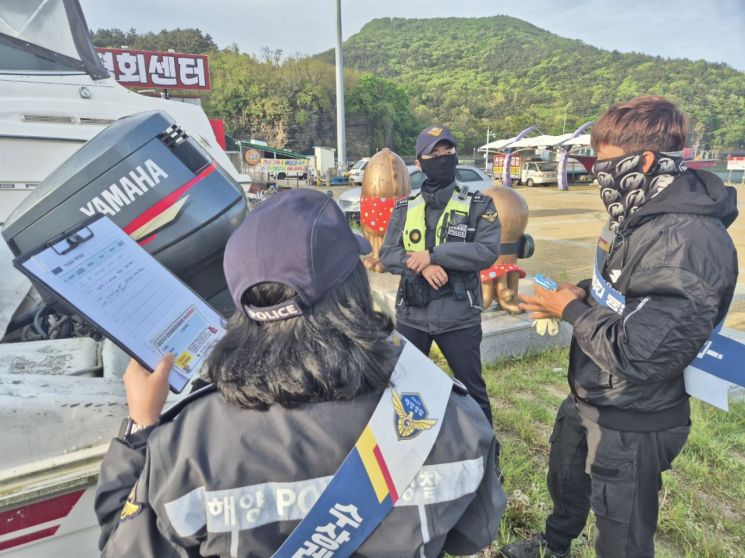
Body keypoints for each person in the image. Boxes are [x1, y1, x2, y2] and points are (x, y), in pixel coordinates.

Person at [95, 189, 505, 557]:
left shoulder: (188, 443)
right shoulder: (445, 416)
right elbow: (473, 534)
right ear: (355, 291)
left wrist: (139, 430)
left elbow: (123, 546)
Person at [501, 96, 738, 557]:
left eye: (604, 163)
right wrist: (579, 297)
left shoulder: (687, 241)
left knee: (622, 533)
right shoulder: (641, 217)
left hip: (635, 417)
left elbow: (641, 353)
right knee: (566, 482)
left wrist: (571, 311)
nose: (597, 174)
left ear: (645, 161)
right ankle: (554, 545)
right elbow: (625, 295)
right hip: (593, 393)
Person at [379, 125, 501, 426]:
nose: (443, 158)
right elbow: (387, 255)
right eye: (435, 153)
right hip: (413, 314)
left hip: (459, 315)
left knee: (472, 390)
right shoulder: (405, 207)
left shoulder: (479, 204)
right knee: (403, 389)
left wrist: (436, 256)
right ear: (419, 162)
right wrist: (421, 263)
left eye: (449, 152)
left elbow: (487, 251)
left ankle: (487, 457)